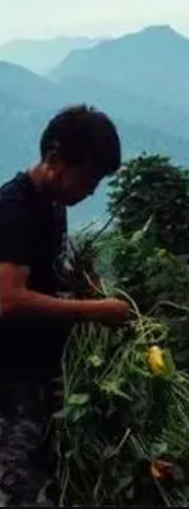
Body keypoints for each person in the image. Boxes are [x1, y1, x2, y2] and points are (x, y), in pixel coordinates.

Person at [0, 104, 131, 505]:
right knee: (15, 489)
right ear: (55, 159)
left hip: (40, 381)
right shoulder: (13, 211)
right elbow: (8, 299)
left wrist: (84, 287)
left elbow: (47, 274)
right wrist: (95, 312)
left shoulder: (53, 208)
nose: (91, 190)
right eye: (89, 178)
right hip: (9, 384)